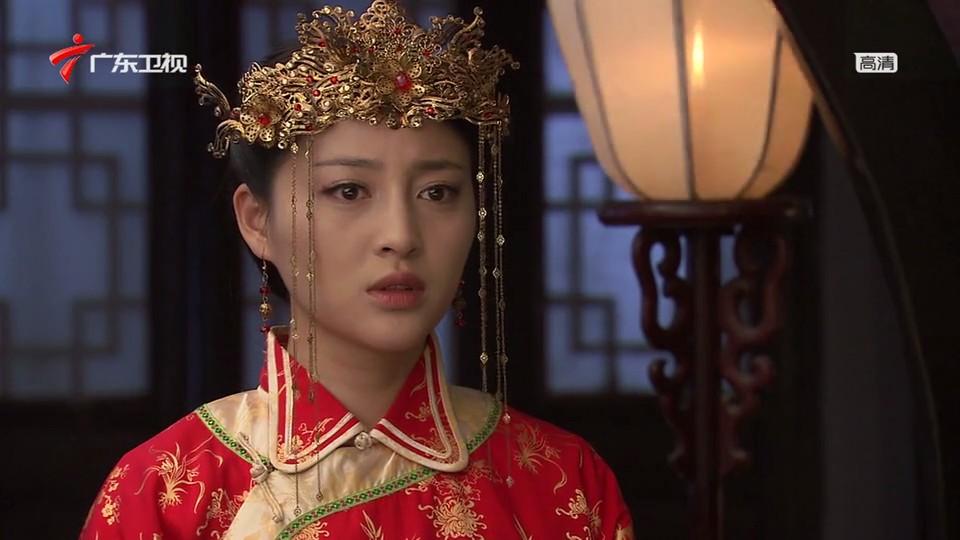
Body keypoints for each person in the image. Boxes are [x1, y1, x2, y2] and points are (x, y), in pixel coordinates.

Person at [80, 1, 635, 538]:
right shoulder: (169, 488)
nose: (401, 235)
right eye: (349, 191)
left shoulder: (562, 479)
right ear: (257, 220)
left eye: (437, 192)